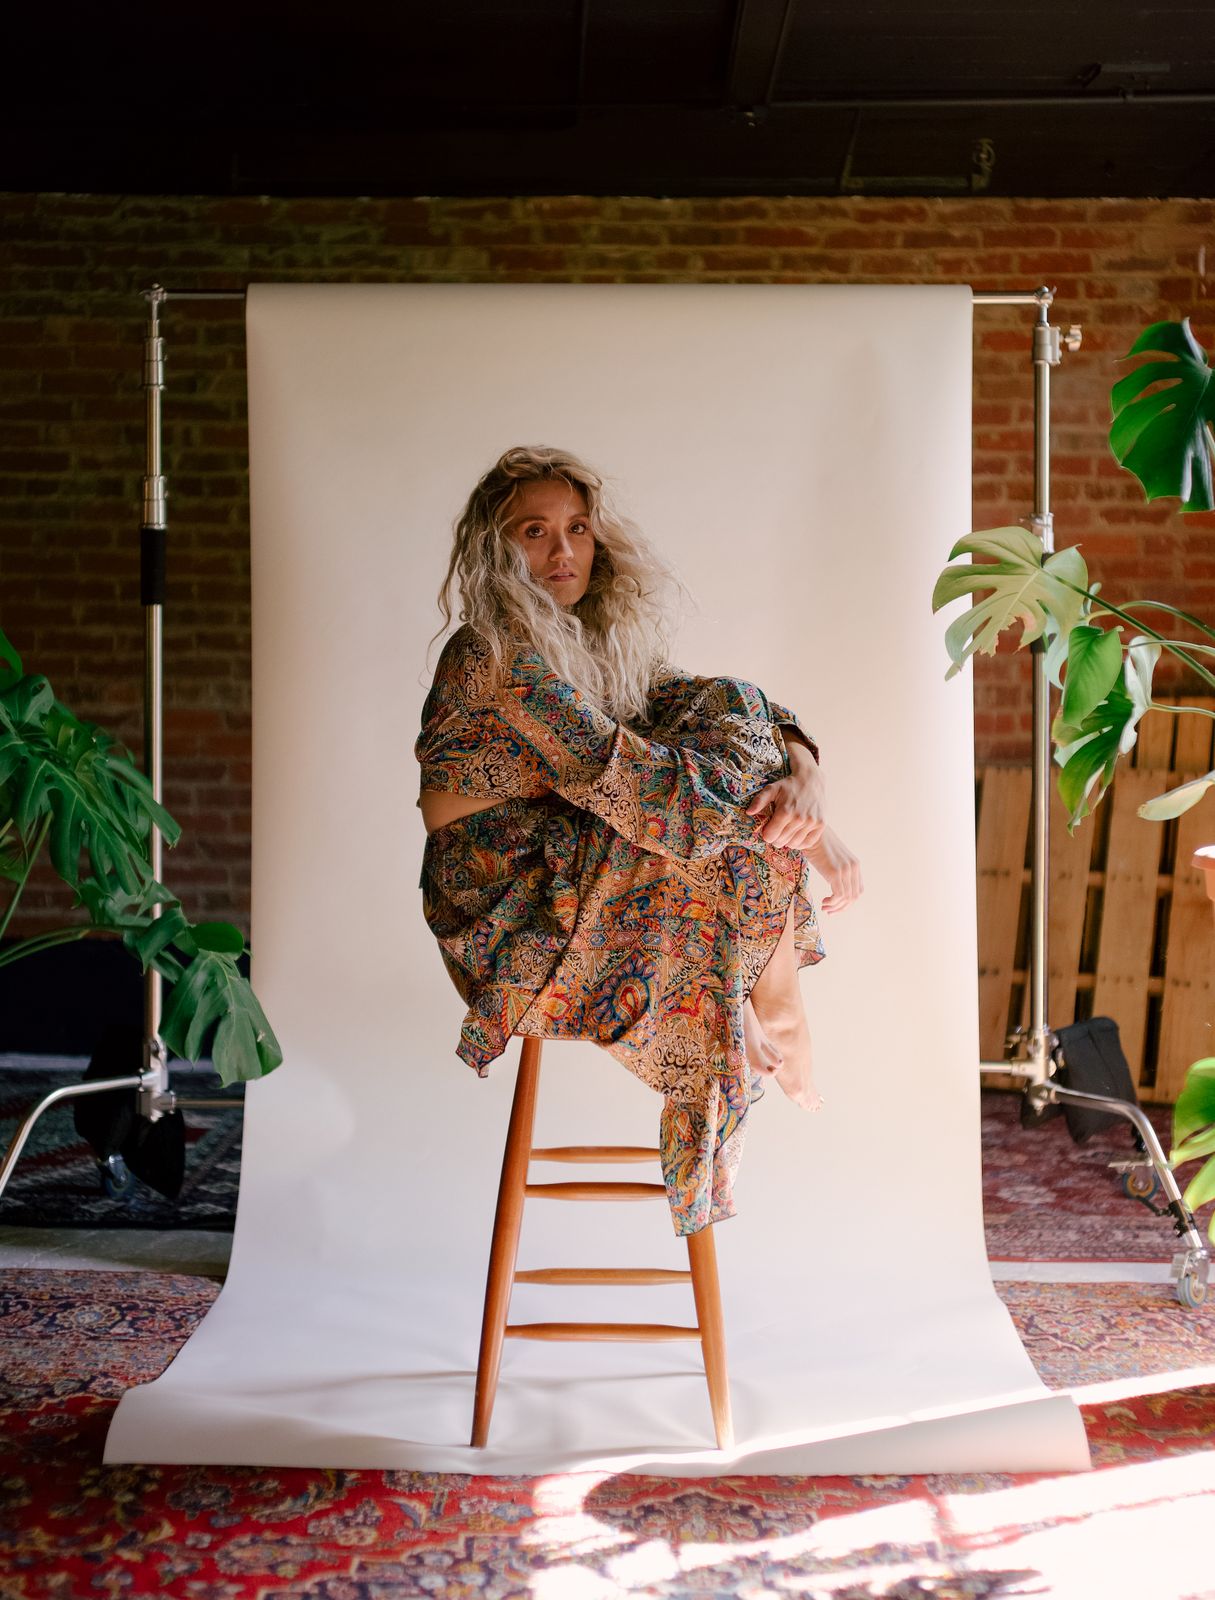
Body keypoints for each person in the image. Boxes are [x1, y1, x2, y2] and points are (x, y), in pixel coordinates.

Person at [414, 446, 862, 1235]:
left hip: (574, 858)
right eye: (534, 531)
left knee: (719, 710)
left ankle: (741, 989)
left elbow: (736, 705)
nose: (562, 551)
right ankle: (765, 995)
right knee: (679, 814)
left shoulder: (587, 641)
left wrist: (807, 781)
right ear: (496, 550)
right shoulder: (494, 652)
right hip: (504, 908)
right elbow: (634, 786)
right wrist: (811, 844)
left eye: (578, 528)